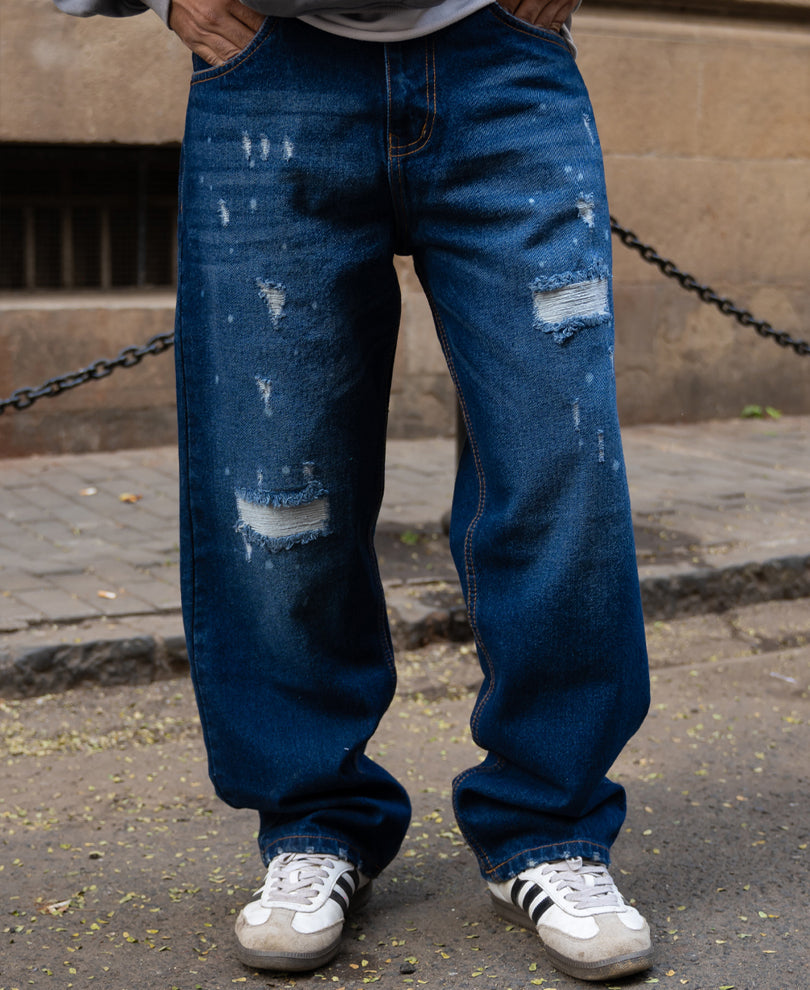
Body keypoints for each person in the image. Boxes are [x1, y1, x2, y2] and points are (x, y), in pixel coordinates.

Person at [53, 0, 654, 980]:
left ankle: (551, 829)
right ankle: (314, 822)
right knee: (277, 493)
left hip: (504, 61)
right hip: (271, 60)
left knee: (562, 465)